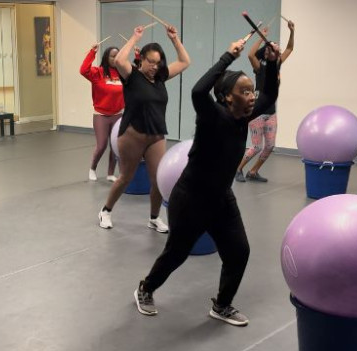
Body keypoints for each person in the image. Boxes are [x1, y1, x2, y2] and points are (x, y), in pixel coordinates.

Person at [134, 38, 281, 326]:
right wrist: (228, 55)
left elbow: (271, 93)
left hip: (221, 199)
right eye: (244, 91)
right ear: (228, 97)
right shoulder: (212, 115)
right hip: (191, 198)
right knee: (176, 253)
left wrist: (272, 61)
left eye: (252, 90)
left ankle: (222, 305)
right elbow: (199, 90)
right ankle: (145, 288)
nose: (252, 96)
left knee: (239, 252)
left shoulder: (245, 116)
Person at [98, 24, 190, 232]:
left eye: (158, 63)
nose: (154, 66)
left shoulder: (160, 77)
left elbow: (185, 61)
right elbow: (120, 60)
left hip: (156, 136)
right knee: (126, 177)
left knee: (157, 180)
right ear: (142, 59)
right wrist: (135, 37)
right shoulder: (131, 75)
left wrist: (174, 39)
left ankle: (154, 218)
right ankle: (105, 210)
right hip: (133, 134)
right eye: (151, 62)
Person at [235, 21, 294, 182]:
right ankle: (238, 169)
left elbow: (289, 49)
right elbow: (250, 55)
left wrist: (292, 32)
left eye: (277, 47)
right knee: (256, 147)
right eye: (273, 46)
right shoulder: (259, 67)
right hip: (257, 113)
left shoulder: (277, 65)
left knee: (269, 146)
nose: (277, 48)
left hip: (271, 112)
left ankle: (253, 172)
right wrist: (263, 37)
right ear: (267, 52)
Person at [80, 44, 124, 182]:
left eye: (117, 55)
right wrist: (92, 52)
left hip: (118, 114)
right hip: (101, 115)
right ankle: (92, 168)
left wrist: (137, 56)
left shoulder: (123, 73)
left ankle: (110, 173)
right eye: (112, 56)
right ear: (106, 57)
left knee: (115, 145)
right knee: (102, 145)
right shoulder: (97, 73)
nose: (115, 58)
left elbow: (138, 73)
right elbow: (83, 70)